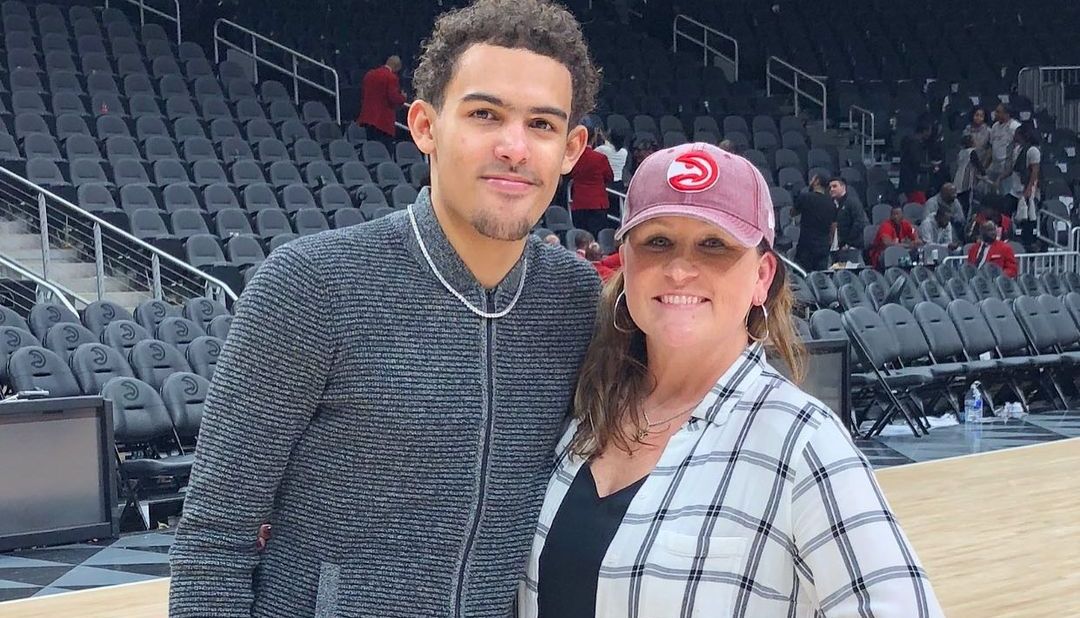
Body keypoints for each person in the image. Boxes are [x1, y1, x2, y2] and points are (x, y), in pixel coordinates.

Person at [168, 1, 603, 616]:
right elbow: (215, 541)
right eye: (485, 114)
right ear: (425, 125)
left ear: (570, 148)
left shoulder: (578, 301)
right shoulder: (310, 286)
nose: (514, 146)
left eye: (541, 124)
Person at [518, 143, 943, 617]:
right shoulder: (583, 410)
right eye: (657, 242)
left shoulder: (802, 441)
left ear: (762, 276)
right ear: (626, 260)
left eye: (714, 245)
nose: (679, 269)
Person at [570, 127, 615, 238]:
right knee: (597, 236)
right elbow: (609, 176)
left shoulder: (574, 157)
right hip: (597, 203)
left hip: (579, 202)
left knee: (581, 237)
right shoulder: (600, 158)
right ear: (594, 138)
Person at [356, 55, 408, 152]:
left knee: (371, 146)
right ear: (397, 67)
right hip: (382, 120)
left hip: (368, 117)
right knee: (384, 149)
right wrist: (403, 98)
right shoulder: (391, 77)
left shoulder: (369, 74)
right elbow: (393, 97)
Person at [792, 174, 836, 272]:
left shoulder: (805, 197)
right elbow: (833, 227)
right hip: (823, 246)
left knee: (801, 276)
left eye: (812, 179)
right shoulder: (831, 204)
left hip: (806, 245)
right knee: (820, 276)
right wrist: (830, 242)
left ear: (816, 181)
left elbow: (793, 212)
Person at [1009, 122, 1041, 247]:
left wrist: (1028, 189)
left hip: (1027, 191)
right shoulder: (1018, 149)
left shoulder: (1033, 150)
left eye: (1016, 134)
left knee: (1027, 220)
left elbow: (1034, 172)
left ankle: (1028, 245)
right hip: (1015, 189)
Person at [831, 177, 868, 261]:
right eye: (830, 187)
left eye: (834, 186)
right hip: (839, 247)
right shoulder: (833, 204)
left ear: (843, 187)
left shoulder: (853, 202)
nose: (832, 189)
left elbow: (859, 223)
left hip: (853, 247)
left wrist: (848, 243)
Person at [594, 129, 629, 218]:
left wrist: (596, 138)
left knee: (607, 212)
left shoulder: (602, 149)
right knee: (616, 211)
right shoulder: (624, 152)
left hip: (608, 184)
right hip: (619, 184)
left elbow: (592, 153)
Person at [989, 103, 1021, 197]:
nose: (995, 114)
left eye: (998, 112)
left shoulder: (1015, 126)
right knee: (993, 195)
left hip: (1007, 168)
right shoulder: (994, 126)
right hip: (995, 166)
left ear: (1007, 114)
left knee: (1006, 194)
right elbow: (991, 147)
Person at [899, 124, 935, 203]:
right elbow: (917, 164)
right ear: (925, 131)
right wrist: (931, 167)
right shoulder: (914, 145)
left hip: (909, 184)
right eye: (930, 130)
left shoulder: (912, 143)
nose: (930, 133)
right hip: (913, 185)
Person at [954, 134, 987, 213]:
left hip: (958, 177)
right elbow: (977, 164)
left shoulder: (961, 152)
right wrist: (984, 174)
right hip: (966, 179)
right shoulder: (971, 152)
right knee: (966, 202)